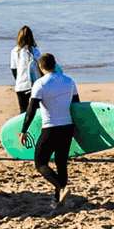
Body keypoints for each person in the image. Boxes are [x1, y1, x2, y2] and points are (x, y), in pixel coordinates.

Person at [18, 53, 80, 209]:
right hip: (67, 127)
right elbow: (77, 106)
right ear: (55, 64)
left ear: (40, 67)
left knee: (40, 163)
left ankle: (62, 188)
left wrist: (24, 130)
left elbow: (31, 110)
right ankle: (58, 199)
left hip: (50, 128)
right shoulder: (69, 81)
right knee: (61, 163)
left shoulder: (40, 83)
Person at [10, 25, 42, 112]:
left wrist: (18, 80)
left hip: (20, 86)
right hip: (33, 85)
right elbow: (40, 66)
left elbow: (13, 69)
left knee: (23, 110)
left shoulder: (15, 51)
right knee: (36, 110)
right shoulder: (34, 51)